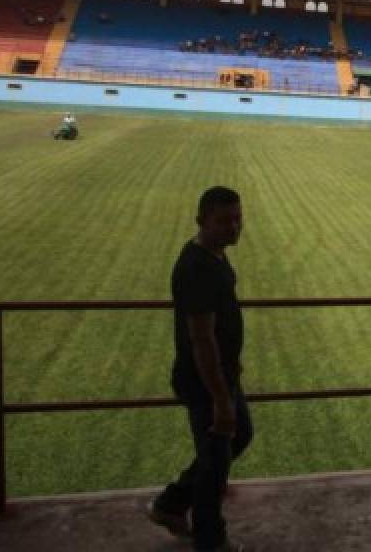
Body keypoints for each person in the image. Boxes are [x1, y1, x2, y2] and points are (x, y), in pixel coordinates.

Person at [148, 187, 252, 552]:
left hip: (223, 375)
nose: (234, 226)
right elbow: (201, 339)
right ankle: (209, 540)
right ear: (201, 221)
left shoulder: (215, 257)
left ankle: (172, 503)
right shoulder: (196, 267)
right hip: (206, 381)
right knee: (215, 463)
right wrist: (221, 399)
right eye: (224, 220)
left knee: (236, 438)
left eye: (237, 218)